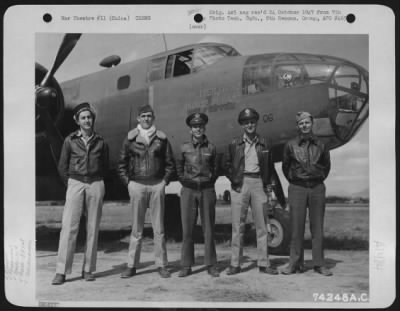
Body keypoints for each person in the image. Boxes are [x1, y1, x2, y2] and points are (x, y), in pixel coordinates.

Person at [52, 102, 109, 285]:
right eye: (83, 117)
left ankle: (88, 269)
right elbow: (62, 165)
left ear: (93, 119)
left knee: (93, 227)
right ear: (77, 121)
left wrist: (98, 181)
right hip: (75, 183)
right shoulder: (70, 140)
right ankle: (61, 271)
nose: (87, 120)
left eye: (89, 117)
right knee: (69, 227)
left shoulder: (101, 141)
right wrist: (70, 182)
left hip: (95, 183)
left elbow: (105, 165)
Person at [118, 104, 175, 278]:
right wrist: (129, 183)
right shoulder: (130, 139)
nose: (146, 119)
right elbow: (121, 164)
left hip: (157, 185)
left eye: (149, 116)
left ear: (153, 118)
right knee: (137, 229)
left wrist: (164, 182)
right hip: (137, 186)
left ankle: (162, 265)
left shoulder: (162, 139)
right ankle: (132, 265)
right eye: (143, 116)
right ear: (138, 118)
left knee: (159, 229)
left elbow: (170, 164)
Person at [223, 108, 278, 275]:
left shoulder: (265, 143)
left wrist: (270, 188)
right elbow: (226, 164)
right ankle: (235, 263)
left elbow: (269, 167)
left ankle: (263, 263)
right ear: (242, 125)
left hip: (259, 183)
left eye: (252, 121)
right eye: (246, 122)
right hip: (240, 184)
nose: (250, 125)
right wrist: (235, 179)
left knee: (262, 225)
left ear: (256, 123)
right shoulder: (234, 143)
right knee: (237, 226)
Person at [281, 111, 332, 276]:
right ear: (298, 125)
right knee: (296, 228)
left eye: (307, 122)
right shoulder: (290, 145)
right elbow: (285, 167)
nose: (304, 125)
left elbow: (326, 166)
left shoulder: (322, 144)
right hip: (297, 188)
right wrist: (296, 181)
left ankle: (319, 264)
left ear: (312, 123)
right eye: (301, 123)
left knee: (317, 228)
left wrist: (317, 179)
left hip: (317, 188)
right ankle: (295, 263)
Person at [176, 112, 219, 278]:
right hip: (188, 190)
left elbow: (215, 169)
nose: (198, 129)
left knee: (209, 229)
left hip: (207, 190)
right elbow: (179, 169)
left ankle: (211, 264)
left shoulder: (212, 148)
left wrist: (208, 182)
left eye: (200, 126)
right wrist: (186, 182)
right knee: (187, 230)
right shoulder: (184, 147)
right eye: (195, 126)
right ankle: (186, 265)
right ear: (190, 129)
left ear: (204, 127)